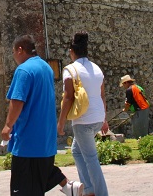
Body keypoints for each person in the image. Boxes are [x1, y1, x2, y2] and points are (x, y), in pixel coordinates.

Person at [2, 34, 84, 196]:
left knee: (22, 190)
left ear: (20, 50)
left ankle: (68, 186)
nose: (13, 57)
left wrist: (8, 126)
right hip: (45, 141)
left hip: (27, 143)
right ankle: (68, 186)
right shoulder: (46, 68)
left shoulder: (24, 70)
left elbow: (17, 101)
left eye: (13, 52)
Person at [57, 32, 109, 196]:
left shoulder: (70, 70)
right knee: (77, 151)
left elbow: (68, 97)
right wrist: (104, 118)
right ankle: (88, 189)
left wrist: (61, 121)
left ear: (71, 51)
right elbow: (102, 95)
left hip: (83, 120)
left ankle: (99, 192)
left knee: (91, 158)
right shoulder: (96, 68)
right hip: (97, 117)